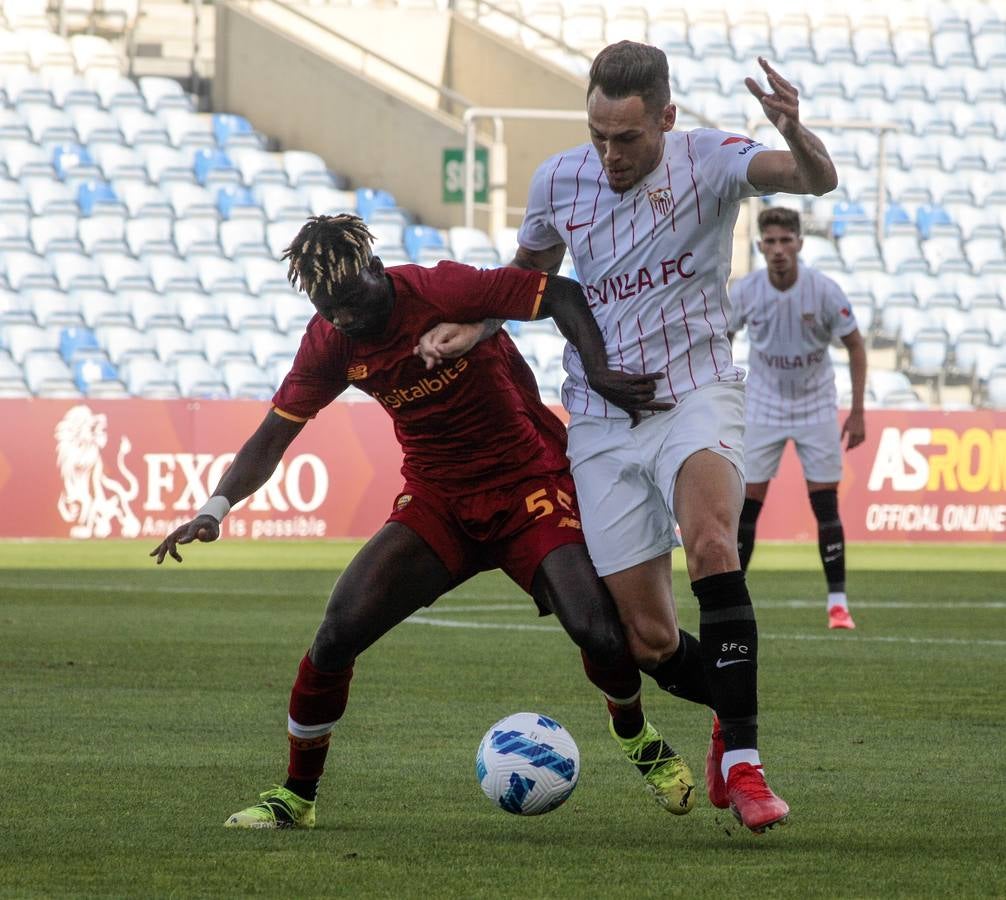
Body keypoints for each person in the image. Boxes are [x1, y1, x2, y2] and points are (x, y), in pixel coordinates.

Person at [150, 214, 704, 830]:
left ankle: (637, 739)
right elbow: (274, 435)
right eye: (330, 309)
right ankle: (296, 798)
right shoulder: (331, 340)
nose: (345, 319)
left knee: (599, 633)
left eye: (352, 301)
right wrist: (215, 508)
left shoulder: (442, 289)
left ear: (376, 269)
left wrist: (598, 371)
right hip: (439, 499)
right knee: (335, 635)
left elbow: (562, 293)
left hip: (527, 484)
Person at [416, 42, 839, 834]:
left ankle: (746, 767)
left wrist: (793, 129)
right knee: (647, 641)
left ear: (667, 119)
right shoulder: (558, 180)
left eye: (628, 138)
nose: (610, 154)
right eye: (599, 135)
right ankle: (727, 709)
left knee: (711, 542)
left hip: (695, 394)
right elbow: (527, 273)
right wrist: (475, 325)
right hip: (601, 422)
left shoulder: (710, 159)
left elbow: (815, 179)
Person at [729, 207, 866, 630]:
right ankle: (733, 600)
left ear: (800, 244)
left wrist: (858, 412)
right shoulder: (746, 291)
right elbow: (721, 336)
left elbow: (856, 346)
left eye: (786, 240)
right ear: (759, 246)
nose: (778, 249)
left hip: (815, 404)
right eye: (770, 241)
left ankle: (838, 603)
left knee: (825, 504)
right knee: (747, 507)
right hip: (764, 403)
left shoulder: (823, 290)